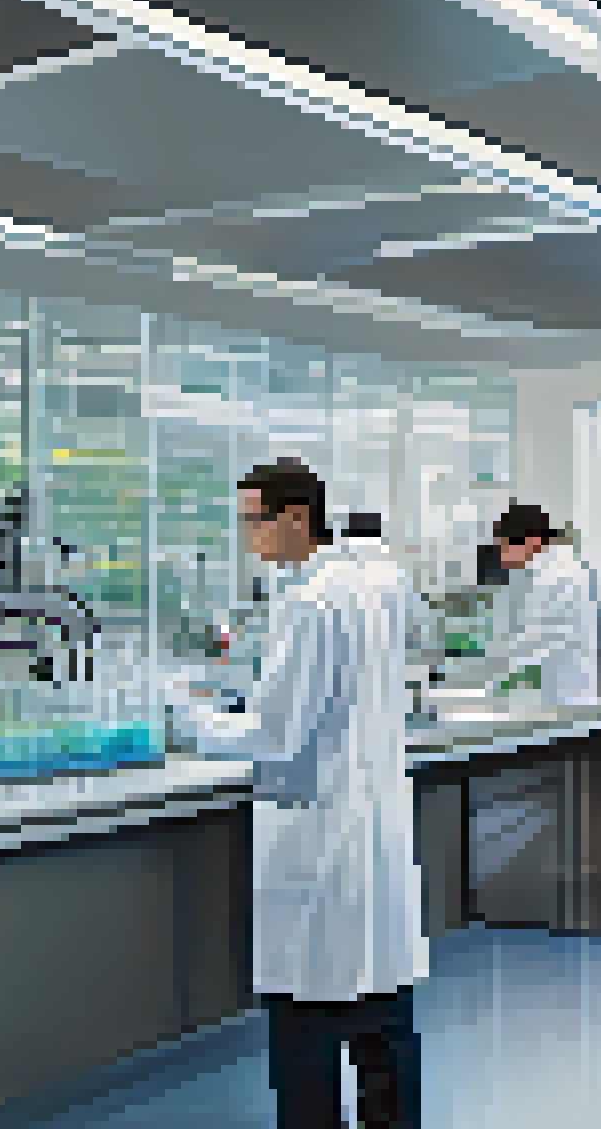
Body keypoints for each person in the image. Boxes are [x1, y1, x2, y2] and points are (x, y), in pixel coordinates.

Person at [169, 460, 425, 1129]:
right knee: (380, 1015)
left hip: (319, 833)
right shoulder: (361, 586)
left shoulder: (311, 603)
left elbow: (277, 730)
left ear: (294, 518)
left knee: (308, 1025)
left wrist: (183, 721)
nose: (248, 535)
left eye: (254, 520)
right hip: (362, 825)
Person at [486, 502, 599, 703]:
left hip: (567, 690)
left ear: (533, 542)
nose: (502, 556)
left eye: (505, 546)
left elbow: (539, 638)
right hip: (549, 685)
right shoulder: (537, 571)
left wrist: (490, 667)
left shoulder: (560, 574)